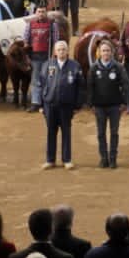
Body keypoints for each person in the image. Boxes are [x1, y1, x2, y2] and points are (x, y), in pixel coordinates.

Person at [41, 40, 84, 170]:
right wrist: (41, 104)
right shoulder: (47, 65)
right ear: (55, 52)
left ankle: (67, 160)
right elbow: (41, 84)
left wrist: (77, 106)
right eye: (59, 49)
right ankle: (50, 160)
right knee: (51, 132)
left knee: (66, 131)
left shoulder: (75, 66)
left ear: (67, 51)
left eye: (63, 49)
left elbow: (81, 87)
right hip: (50, 104)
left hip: (66, 105)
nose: (61, 52)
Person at [90, 39, 129, 169]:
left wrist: (124, 103)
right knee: (101, 133)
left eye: (108, 50)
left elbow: (126, 85)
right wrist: (91, 104)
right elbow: (90, 87)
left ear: (112, 52)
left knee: (114, 133)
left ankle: (113, 159)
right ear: (99, 53)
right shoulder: (94, 68)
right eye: (103, 51)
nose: (106, 53)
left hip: (115, 106)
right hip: (99, 107)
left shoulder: (118, 67)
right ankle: (103, 158)